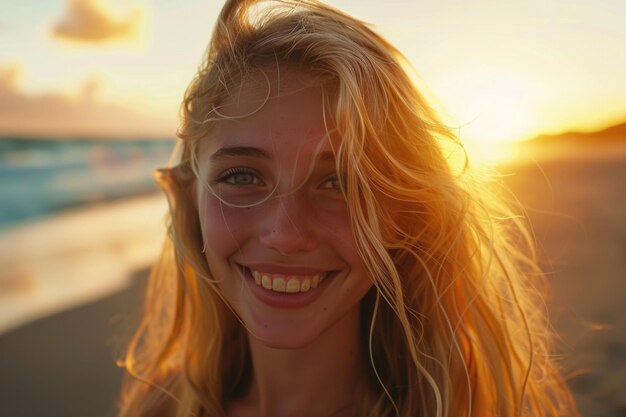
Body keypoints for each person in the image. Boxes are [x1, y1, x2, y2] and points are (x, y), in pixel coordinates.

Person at [117, 0, 579, 416]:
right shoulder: (160, 406)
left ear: (404, 216)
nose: (287, 234)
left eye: (340, 182)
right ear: (187, 199)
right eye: (242, 177)